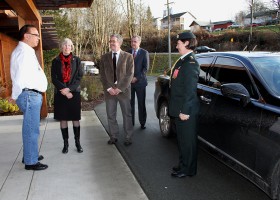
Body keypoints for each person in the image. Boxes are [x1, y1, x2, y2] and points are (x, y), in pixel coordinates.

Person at [10, 24, 48, 170]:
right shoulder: (24, 53)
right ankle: (31, 162)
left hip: (31, 94)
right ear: (26, 36)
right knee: (31, 129)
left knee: (30, 127)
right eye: (36, 35)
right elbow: (19, 78)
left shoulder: (26, 51)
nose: (38, 38)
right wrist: (14, 96)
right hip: (29, 95)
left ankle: (29, 155)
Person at [169, 32, 200, 178]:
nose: (176, 46)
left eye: (178, 43)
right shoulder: (183, 61)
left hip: (185, 110)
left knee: (188, 142)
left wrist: (185, 111)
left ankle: (188, 169)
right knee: (182, 140)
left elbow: (190, 90)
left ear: (186, 43)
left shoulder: (190, 63)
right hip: (179, 108)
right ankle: (182, 165)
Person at [100, 34, 134, 146]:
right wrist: (109, 88)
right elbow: (102, 75)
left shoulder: (128, 57)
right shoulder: (104, 57)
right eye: (110, 41)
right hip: (109, 91)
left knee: (127, 115)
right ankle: (113, 136)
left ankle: (128, 137)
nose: (111, 43)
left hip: (123, 91)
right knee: (110, 115)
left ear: (119, 42)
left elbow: (130, 74)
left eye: (113, 41)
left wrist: (120, 88)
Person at [51, 38, 84, 154]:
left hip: (74, 93)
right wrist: (64, 90)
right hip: (60, 93)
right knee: (63, 118)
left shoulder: (77, 60)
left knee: (75, 118)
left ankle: (78, 143)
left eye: (69, 45)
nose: (67, 47)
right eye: (65, 45)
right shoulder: (55, 61)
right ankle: (66, 144)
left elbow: (79, 77)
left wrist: (69, 89)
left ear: (72, 47)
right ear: (61, 46)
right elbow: (53, 78)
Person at [128, 35, 149, 129]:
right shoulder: (127, 53)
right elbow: (124, 67)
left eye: (135, 42)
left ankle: (142, 122)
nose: (133, 43)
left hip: (140, 83)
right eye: (132, 41)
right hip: (129, 83)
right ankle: (130, 123)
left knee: (141, 103)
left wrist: (136, 78)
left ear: (139, 42)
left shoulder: (144, 53)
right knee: (130, 104)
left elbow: (145, 68)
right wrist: (129, 78)